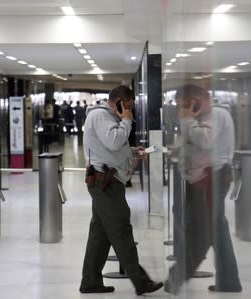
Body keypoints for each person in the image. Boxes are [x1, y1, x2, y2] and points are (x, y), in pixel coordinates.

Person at [79, 85, 163, 295]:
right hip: (105, 183)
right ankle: (141, 281)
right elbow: (114, 141)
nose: (130, 110)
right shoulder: (100, 116)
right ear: (118, 102)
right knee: (121, 230)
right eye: (128, 106)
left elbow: (112, 146)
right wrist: (126, 120)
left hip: (105, 181)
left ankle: (90, 281)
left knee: (100, 234)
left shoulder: (108, 118)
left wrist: (134, 151)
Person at [165, 84, 242, 294]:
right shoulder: (203, 117)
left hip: (212, 180)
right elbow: (197, 143)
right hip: (205, 179)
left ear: (196, 100)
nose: (182, 110)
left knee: (202, 233)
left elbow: (205, 141)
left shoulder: (216, 114)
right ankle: (229, 281)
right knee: (218, 232)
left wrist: (188, 119)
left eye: (184, 105)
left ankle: (176, 277)